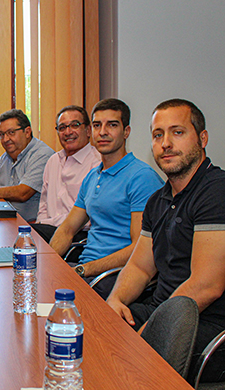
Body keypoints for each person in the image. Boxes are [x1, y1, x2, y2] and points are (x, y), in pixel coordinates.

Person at [107, 99, 225, 382]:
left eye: (178, 132)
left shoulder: (216, 191)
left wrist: (153, 329)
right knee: (92, 327)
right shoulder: (157, 201)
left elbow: (207, 286)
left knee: (120, 362)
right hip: (160, 310)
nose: (165, 143)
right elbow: (140, 268)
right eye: (158, 135)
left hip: (207, 326)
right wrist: (115, 300)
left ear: (202, 139)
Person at [49, 98, 164, 298]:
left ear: (126, 131)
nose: (102, 132)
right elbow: (67, 230)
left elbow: (139, 249)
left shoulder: (141, 177)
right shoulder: (92, 177)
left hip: (113, 277)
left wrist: (84, 270)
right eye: (97, 125)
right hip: (85, 269)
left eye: (112, 125)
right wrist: (47, 262)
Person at [31, 105, 100, 243]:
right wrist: (42, 225)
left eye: (75, 125)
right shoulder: (53, 161)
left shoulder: (98, 164)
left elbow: (91, 217)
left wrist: (46, 225)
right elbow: (43, 206)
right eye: (62, 128)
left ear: (88, 130)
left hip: (80, 236)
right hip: (48, 231)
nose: (68, 132)